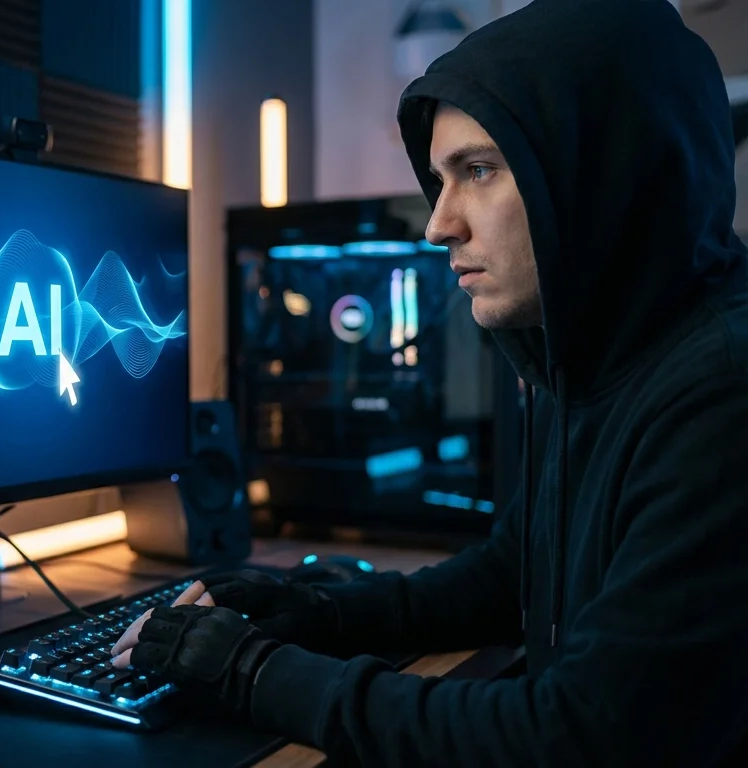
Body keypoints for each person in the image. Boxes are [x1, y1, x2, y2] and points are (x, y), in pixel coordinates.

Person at [110, 0, 748, 764]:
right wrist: (315, 611)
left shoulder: (722, 395)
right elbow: (510, 576)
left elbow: (582, 735)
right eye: (441, 179)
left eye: (477, 171)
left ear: (603, 172)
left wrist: (250, 671)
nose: (439, 224)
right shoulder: (591, 360)